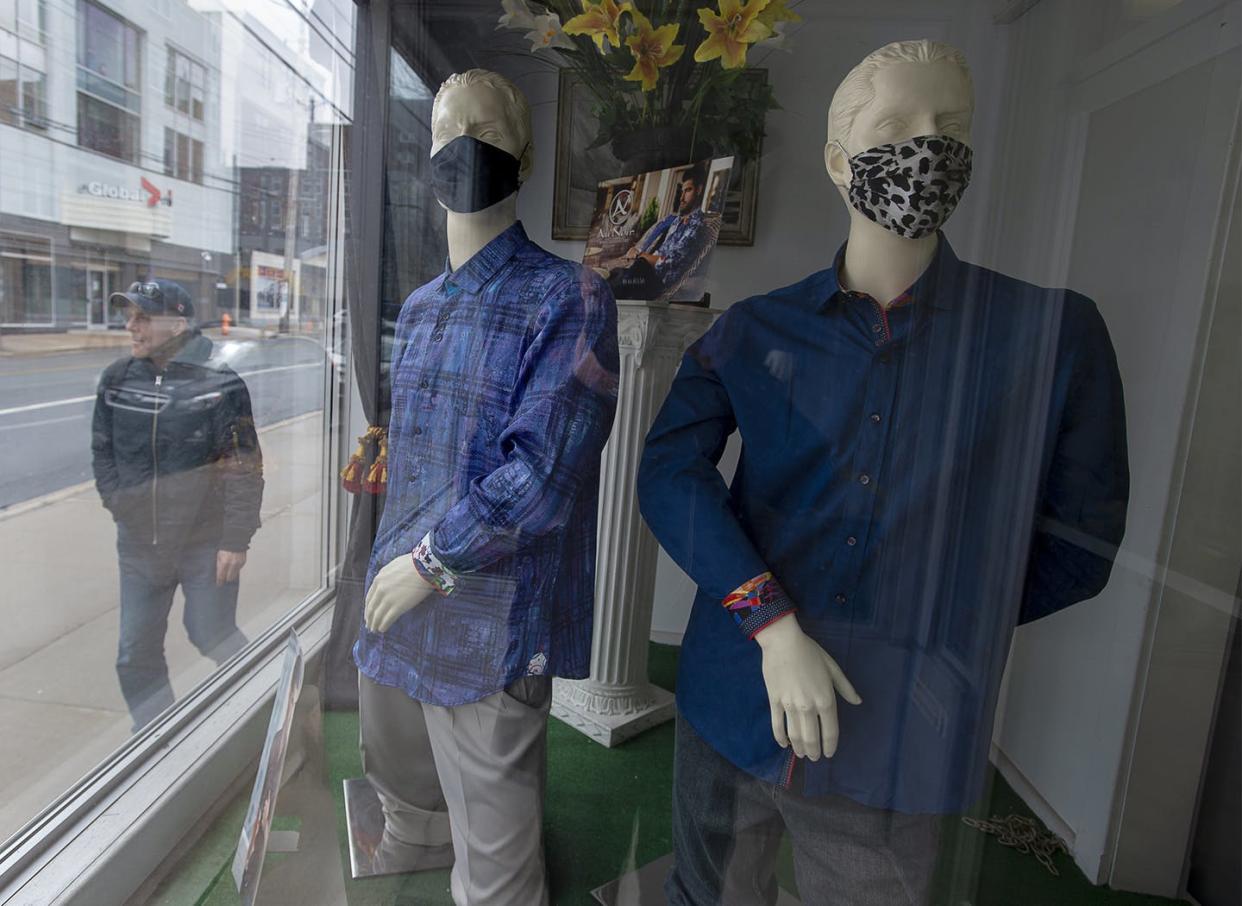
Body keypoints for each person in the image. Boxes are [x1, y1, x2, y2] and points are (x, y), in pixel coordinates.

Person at [637, 39, 1129, 905]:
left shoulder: (1049, 338)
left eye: (953, 128)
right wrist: (771, 625)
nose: (926, 147)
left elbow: (1080, 538)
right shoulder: (754, 333)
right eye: (895, 127)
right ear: (838, 160)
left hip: (898, 734)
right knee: (704, 893)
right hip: (734, 697)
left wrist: (937, 622)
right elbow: (670, 472)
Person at [353, 69, 619, 904]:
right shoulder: (424, 304)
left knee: (498, 863)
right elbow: (425, 440)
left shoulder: (570, 296)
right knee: (401, 775)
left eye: (488, 130)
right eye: (448, 130)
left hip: (485, 615)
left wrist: (430, 562)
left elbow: (544, 476)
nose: (465, 146)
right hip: (396, 591)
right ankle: (420, 834)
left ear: (526, 154)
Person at [91, 278, 264, 732]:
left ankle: (266, 716)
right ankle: (158, 741)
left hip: (204, 544)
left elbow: (245, 465)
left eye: (143, 317)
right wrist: (119, 504)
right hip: (140, 546)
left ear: (177, 322)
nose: (131, 326)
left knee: (212, 635)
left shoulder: (219, 381)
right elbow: (102, 451)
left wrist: (235, 539)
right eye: (129, 316)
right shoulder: (117, 379)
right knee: (134, 654)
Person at [607, 162, 712, 300]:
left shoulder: (697, 227)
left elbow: (668, 261)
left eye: (688, 191)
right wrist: (639, 253)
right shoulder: (677, 221)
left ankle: (605, 294)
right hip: (645, 273)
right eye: (682, 191)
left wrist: (642, 256)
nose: (681, 198)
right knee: (614, 274)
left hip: (656, 282)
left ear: (699, 190)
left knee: (634, 270)